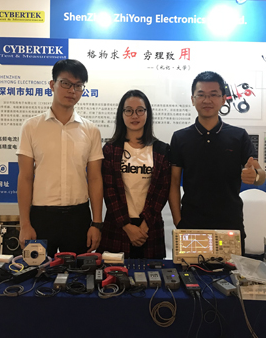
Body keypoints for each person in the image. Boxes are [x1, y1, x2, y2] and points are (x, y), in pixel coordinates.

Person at [168, 71, 266, 254]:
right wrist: (178, 221)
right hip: (191, 224)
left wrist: (255, 176)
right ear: (193, 99)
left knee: (230, 272)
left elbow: (260, 175)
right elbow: (173, 182)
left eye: (213, 94)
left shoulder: (238, 136)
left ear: (223, 99)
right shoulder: (180, 137)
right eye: (201, 95)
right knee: (191, 272)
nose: (207, 100)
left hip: (230, 224)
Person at [16, 59, 104, 257]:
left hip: (78, 217)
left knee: (78, 274)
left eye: (78, 85)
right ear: (52, 84)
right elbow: (25, 177)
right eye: (65, 83)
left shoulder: (91, 130)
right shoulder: (31, 127)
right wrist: (25, 224)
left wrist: (97, 223)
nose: (72, 90)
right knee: (38, 272)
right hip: (41, 217)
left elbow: (95, 178)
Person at [98, 90, 171, 259]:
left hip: (150, 228)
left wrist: (145, 225)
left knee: (152, 274)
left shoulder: (161, 150)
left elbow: (162, 191)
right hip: (118, 226)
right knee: (114, 273)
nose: (134, 115)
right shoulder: (110, 149)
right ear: (121, 114)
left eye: (140, 110)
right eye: (129, 110)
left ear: (147, 113)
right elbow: (109, 191)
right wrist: (127, 226)